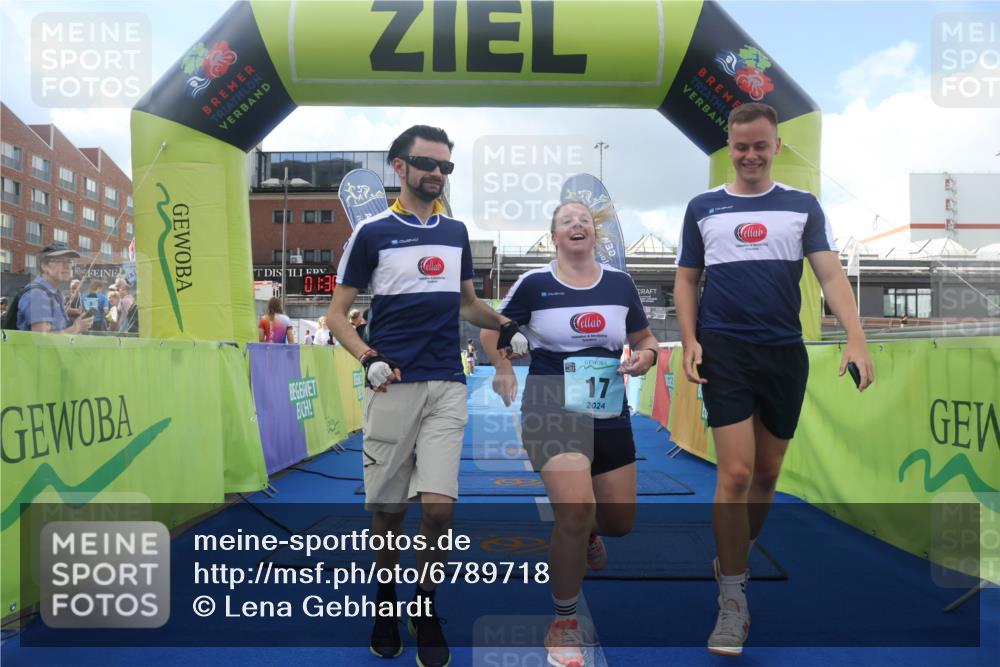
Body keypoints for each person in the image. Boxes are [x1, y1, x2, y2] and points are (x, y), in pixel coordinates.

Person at [674, 102, 875, 657]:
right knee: (735, 474)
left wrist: (855, 337)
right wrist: (690, 339)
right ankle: (733, 596)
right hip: (726, 352)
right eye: (740, 147)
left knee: (767, 473)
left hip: (785, 353)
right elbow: (686, 281)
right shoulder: (703, 207)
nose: (750, 156)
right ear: (729, 149)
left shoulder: (803, 205)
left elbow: (830, 273)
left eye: (760, 146)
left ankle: (732, 555)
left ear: (777, 146)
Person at [325, 124, 528, 667]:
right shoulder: (371, 231)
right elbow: (335, 316)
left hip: (446, 385)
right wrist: (368, 359)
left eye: (446, 167)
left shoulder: (456, 231)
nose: (437, 173)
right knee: (389, 512)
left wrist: (505, 324)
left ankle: (424, 604)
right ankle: (386, 605)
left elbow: (468, 304)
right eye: (427, 163)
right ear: (399, 166)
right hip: (392, 387)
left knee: (439, 511)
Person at [482, 200, 659, 667]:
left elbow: (645, 339)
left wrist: (648, 356)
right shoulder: (535, 284)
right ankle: (563, 622)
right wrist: (503, 368)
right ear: (554, 237)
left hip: (607, 406)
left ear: (594, 235)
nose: (577, 225)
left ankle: (588, 535)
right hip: (550, 402)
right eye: (567, 222)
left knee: (618, 521)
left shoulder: (620, 284)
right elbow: (489, 329)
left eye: (584, 220)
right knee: (576, 511)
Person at [15, 242, 93, 334]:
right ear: (44, 266)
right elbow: (42, 339)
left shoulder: (54, 293)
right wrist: (76, 328)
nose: (67, 266)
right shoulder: (38, 294)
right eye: (60, 261)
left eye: (69, 261)